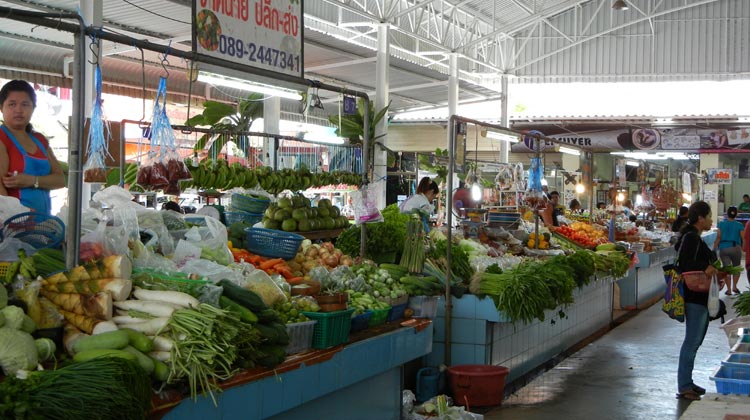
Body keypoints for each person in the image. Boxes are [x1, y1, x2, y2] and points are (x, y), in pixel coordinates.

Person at [674, 201, 726, 401]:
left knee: (695, 341)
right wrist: (706, 268)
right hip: (694, 297)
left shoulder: (694, 237)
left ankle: (688, 382)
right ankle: (684, 385)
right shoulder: (691, 238)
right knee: (692, 341)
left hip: (699, 296)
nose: (711, 220)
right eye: (709, 216)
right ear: (701, 218)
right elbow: (687, 264)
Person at [0, 80, 65, 214]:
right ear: (1, 108)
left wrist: (32, 180)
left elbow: (60, 180)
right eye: (12, 104)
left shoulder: (40, 140)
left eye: (25, 104)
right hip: (13, 225)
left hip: (42, 224)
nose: (18, 110)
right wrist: (15, 216)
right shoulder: (2, 138)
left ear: (33, 108)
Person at [714, 206, 744, 296]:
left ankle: (729, 290)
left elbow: (718, 237)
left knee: (727, 269)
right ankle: (735, 287)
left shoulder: (721, 224)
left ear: (727, 214)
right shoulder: (739, 225)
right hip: (736, 247)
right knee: (736, 268)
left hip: (724, 248)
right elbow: (743, 237)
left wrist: (714, 247)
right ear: (736, 214)